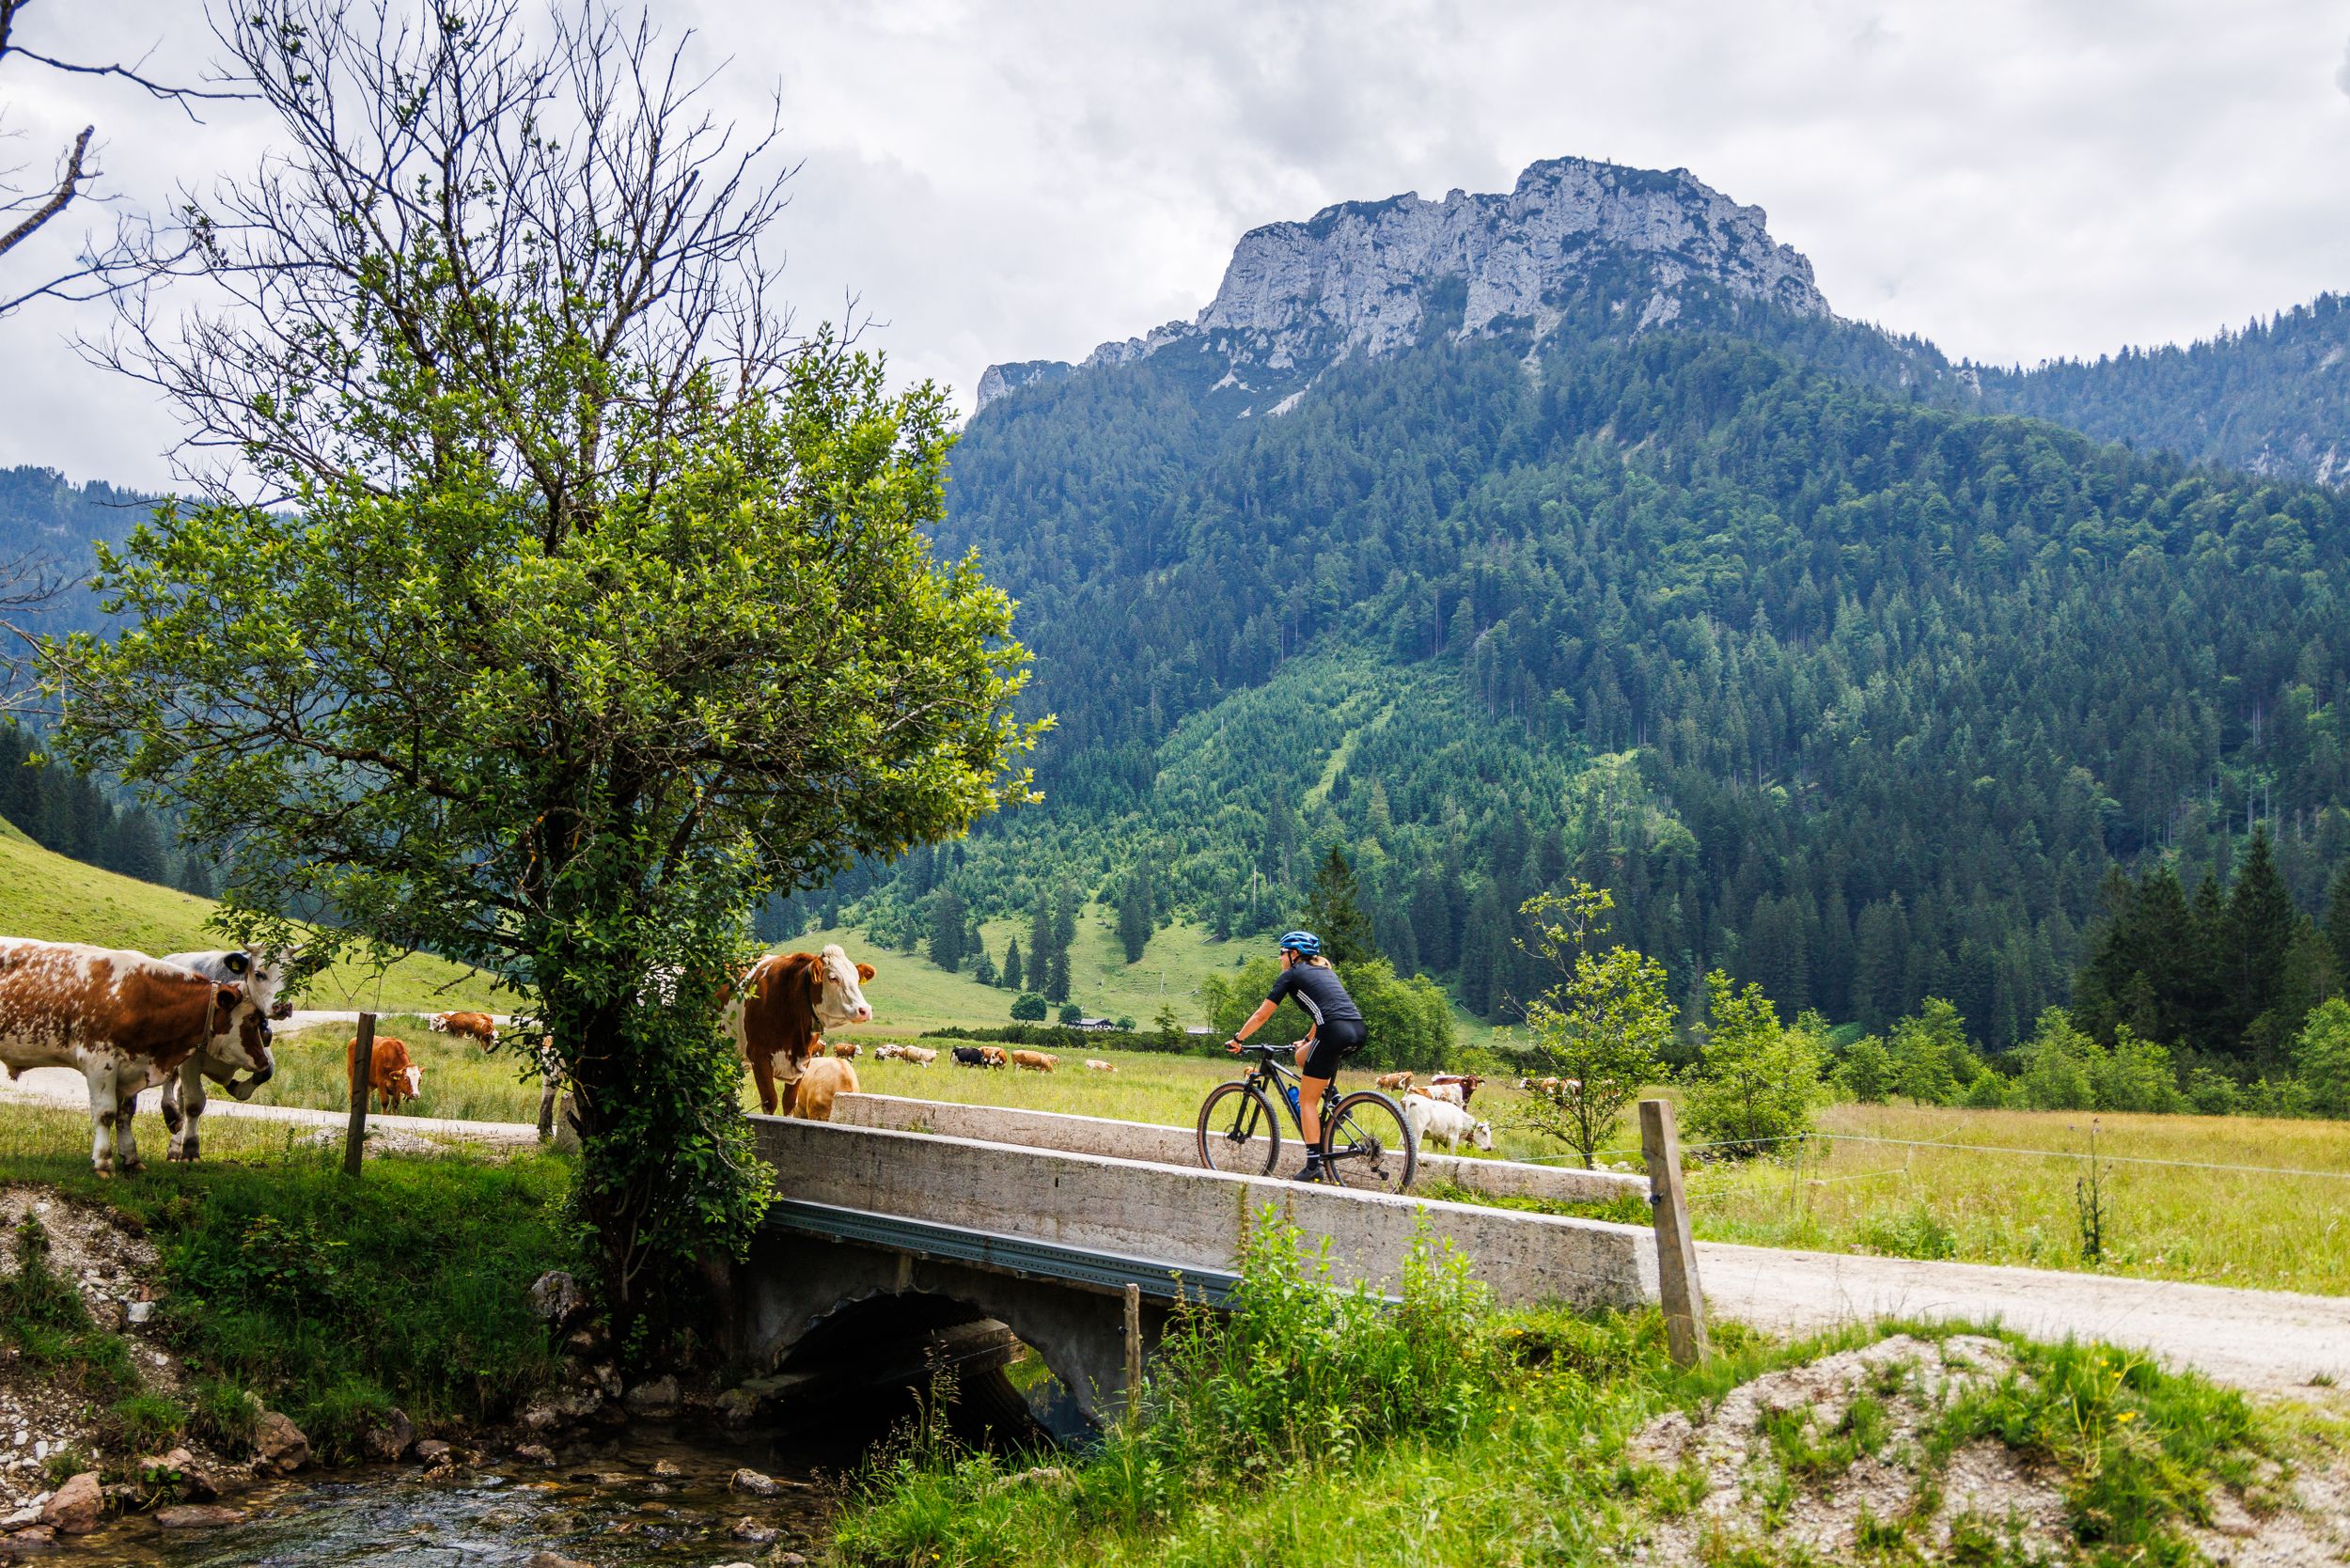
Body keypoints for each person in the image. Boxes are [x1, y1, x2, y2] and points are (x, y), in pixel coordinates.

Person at [1225, 930, 1366, 1183]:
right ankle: (1334, 1098)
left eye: (1281, 953)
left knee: (1307, 1100)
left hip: (1332, 1032)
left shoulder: (1290, 975)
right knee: (1302, 1056)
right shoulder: (1325, 972)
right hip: (1356, 1030)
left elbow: (1261, 1015)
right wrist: (1308, 1040)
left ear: (1294, 954)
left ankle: (1313, 1165)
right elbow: (1324, 1011)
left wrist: (1238, 1039)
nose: (1279, 959)